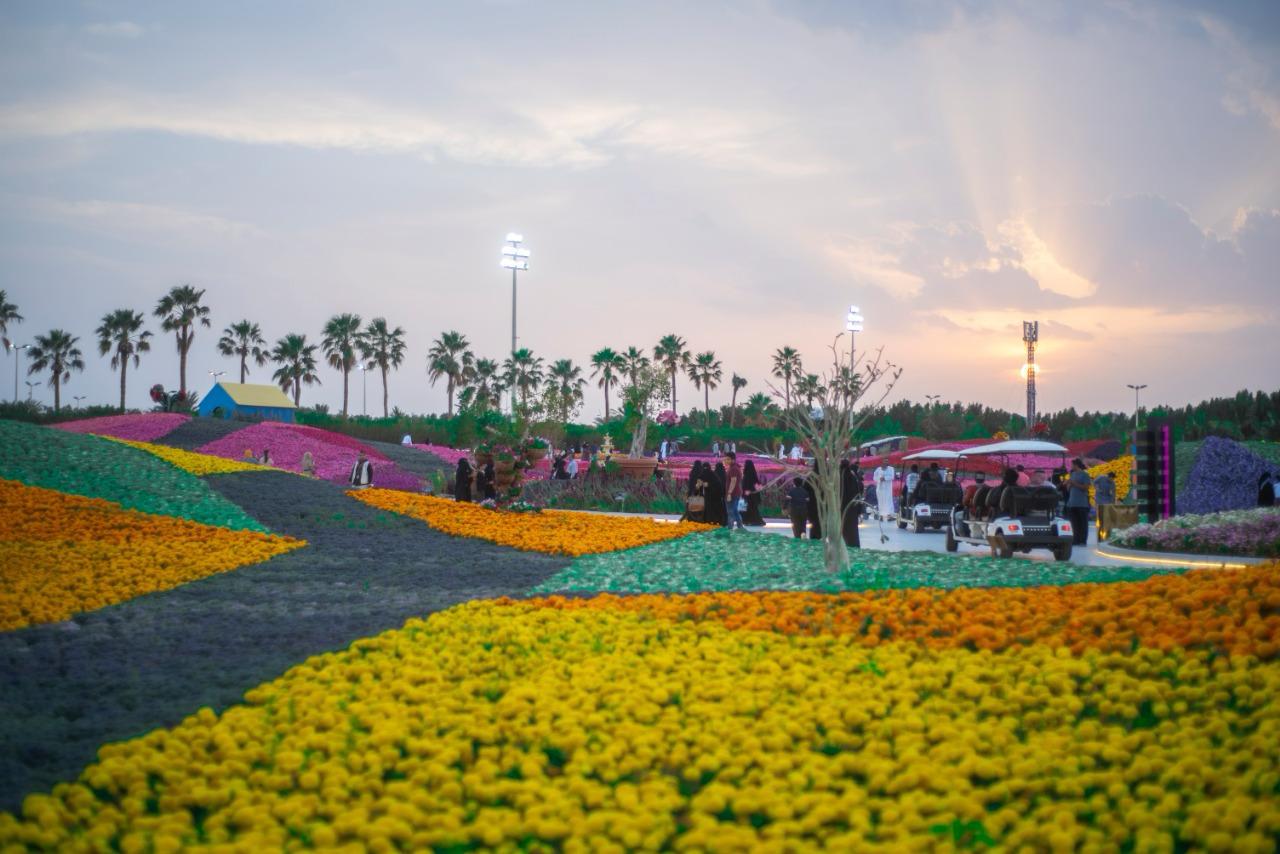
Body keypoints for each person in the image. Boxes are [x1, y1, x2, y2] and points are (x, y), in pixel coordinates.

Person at [1066, 457, 1092, 546]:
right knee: (1074, 523)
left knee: (1082, 523)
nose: (1071, 466)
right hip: (1072, 503)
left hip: (1082, 503)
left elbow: (1085, 488)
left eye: (1072, 465)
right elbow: (1070, 488)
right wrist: (1068, 485)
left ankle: (1082, 540)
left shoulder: (1084, 475)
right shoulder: (1072, 474)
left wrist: (1074, 484)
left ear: (1076, 465)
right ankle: (1075, 540)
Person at [840, 459, 862, 548]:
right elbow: (858, 493)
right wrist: (859, 509)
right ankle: (853, 546)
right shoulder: (853, 478)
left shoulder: (838, 478)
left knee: (842, 528)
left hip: (841, 508)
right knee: (852, 530)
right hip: (852, 508)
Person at [724, 451, 745, 530]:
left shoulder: (733, 469)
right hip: (736, 492)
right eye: (725, 459)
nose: (726, 461)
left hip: (733, 493)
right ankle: (740, 527)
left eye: (728, 459)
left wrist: (729, 493)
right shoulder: (735, 467)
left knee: (731, 511)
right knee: (734, 510)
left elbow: (733, 481)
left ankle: (731, 528)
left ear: (733, 460)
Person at [741, 460, 766, 526]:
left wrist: (747, 491)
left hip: (747, 495)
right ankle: (755, 521)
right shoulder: (753, 474)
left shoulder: (746, 475)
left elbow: (745, 485)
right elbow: (757, 485)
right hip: (753, 496)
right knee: (753, 509)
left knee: (747, 509)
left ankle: (748, 521)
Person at [873, 456, 895, 521]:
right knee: (881, 502)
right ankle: (881, 515)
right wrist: (879, 479)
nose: (886, 462)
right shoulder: (878, 469)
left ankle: (889, 516)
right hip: (880, 489)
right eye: (885, 461)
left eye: (887, 461)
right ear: (882, 462)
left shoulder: (891, 469)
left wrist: (885, 478)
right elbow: (874, 478)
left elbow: (892, 477)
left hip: (888, 489)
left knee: (888, 501)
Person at [805, 461, 823, 539]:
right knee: (820, 521)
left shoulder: (811, 475)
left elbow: (805, 488)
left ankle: (814, 537)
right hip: (823, 502)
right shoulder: (825, 476)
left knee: (814, 522)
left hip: (812, 503)